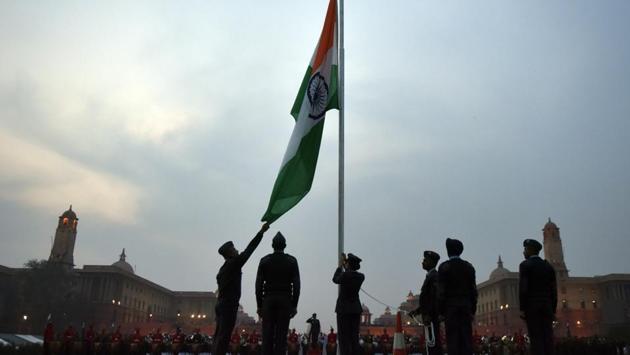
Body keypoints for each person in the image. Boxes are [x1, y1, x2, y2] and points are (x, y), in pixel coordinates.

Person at [213, 222, 270, 355]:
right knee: (223, 337)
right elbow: (250, 249)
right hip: (228, 305)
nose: (237, 250)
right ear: (230, 253)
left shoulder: (222, 270)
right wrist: (261, 232)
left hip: (220, 305)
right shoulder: (234, 264)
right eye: (234, 249)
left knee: (218, 336)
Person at [256, 231, 301, 355]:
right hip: (285, 300)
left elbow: (258, 285)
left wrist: (259, 305)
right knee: (281, 337)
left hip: (268, 300)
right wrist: (294, 305)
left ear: (272, 245)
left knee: (267, 337)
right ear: (284, 245)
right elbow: (297, 285)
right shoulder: (292, 261)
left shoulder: (264, 261)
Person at [438, 238, 477, 355]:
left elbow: (441, 292)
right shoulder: (468, 267)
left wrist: (440, 311)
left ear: (448, 251)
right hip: (466, 306)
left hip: (450, 308)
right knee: (466, 338)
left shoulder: (444, 267)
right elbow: (473, 291)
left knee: (452, 338)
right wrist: (472, 309)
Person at [519, 238, 557, 355]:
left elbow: (523, 288)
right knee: (548, 337)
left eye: (525, 249)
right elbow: (553, 291)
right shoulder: (548, 266)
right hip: (547, 307)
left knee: (536, 338)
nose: (524, 252)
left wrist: (523, 308)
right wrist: (553, 309)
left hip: (532, 307)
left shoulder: (525, 265)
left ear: (530, 250)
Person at [410, 250, 442, 355]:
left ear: (432, 262)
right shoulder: (430, 276)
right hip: (429, 316)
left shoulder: (434, 277)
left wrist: (428, 314)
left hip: (431, 317)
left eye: (425, 260)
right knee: (430, 344)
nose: (422, 262)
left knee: (433, 344)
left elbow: (435, 299)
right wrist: (416, 311)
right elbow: (427, 300)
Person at [333, 253, 365, 355]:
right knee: (354, 337)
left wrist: (340, 266)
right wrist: (345, 265)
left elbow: (335, 279)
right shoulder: (361, 276)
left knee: (344, 338)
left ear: (349, 264)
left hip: (343, 309)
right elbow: (348, 274)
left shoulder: (345, 275)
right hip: (355, 309)